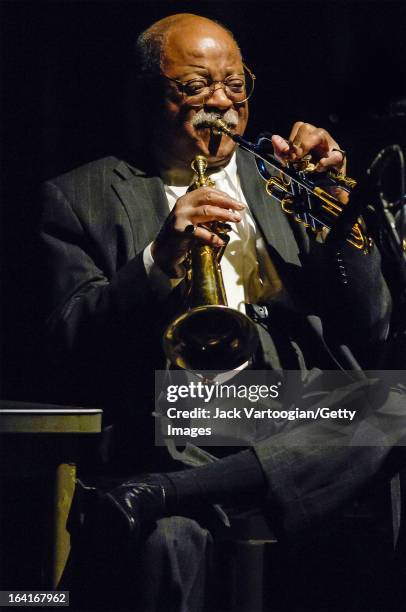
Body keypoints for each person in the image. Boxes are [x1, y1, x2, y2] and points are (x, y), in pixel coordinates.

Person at [40, 13, 405, 611]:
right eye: (195, 86)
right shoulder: (78, 196)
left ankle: (162, 494)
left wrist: (342, 209)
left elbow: (370, 326)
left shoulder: (288, 177)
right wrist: (159, 258)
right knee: (168, 548)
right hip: (184, 411)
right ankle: (180, 491)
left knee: (395, 400)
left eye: (236, 85)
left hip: (305, 406)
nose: (222, 103)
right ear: (147, 95)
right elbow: (68, 342)